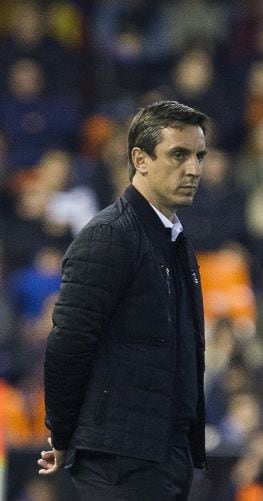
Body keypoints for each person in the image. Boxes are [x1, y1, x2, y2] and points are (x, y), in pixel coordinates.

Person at [37, 100, 209, 500]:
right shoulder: (108, 236)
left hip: (164, 456)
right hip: (119, 462)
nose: (194, 169)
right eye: (178, 155)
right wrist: (62, 433)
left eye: (199, 156)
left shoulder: (174, 240)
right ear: (140, 159)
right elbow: (67, 345)